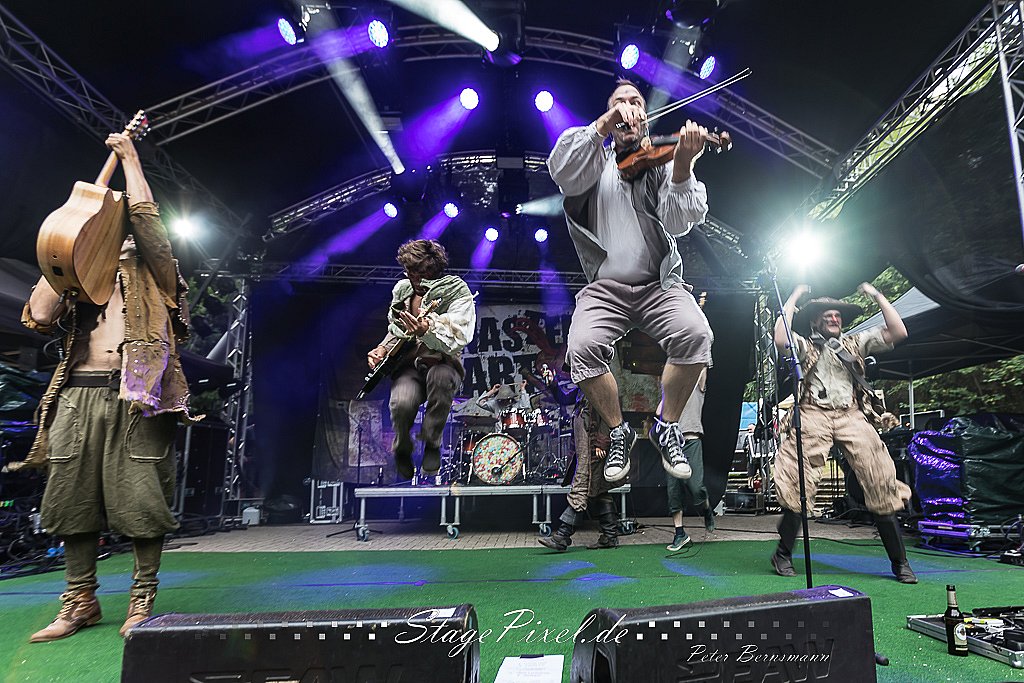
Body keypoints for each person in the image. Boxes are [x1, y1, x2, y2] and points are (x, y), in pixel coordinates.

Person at [18, 133, 196, 641]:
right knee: (70, 499)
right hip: (76, 394)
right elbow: (41, 315)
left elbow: (149, 222)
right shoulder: (76, 274)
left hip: (139, 394)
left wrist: (131, 158)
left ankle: (142, 600)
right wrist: (65, 251)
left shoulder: (156, 269)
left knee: (142, 501)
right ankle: (80, 601)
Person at [546, 78, 714, 486]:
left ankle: (667, 426)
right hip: (606, 287)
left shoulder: (661, 163)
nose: (628, 107)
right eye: (619, 102)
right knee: (581, 348)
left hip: (658, 283)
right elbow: (561, 171)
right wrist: (604, 123)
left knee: (697, 335)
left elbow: (679, 222)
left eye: (636, 102)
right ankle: (618, 430)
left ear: (645, 117)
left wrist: (683, 166)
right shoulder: (593, 164)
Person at [770, 283, 917, 584]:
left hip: (851, 415)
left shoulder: (855, 343)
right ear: (815, 321)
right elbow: (780, 338)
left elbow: (898, 332)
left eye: (837, 315)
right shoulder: (804, 345)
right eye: (827, 315)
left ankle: (900, 562)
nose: (834, 318)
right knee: (798, 484)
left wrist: (877, 296)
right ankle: (782, 554)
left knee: (881, 480)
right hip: (812, 413)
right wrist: (794, 296)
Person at [367, 240, 475, 480]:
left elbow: (458, 336)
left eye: (419, 271)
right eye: (409, 271)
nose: (413, 277)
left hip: (443, 362)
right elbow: (397, 330)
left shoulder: (455, 291)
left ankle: (432, 443)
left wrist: (427, 330)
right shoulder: (403, 291)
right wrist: (381, 349)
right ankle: (403, 446)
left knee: (441, 379)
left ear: (434, 270)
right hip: (410, 366)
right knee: (401, 402)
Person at [538, 366, 622, 551]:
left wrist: (602, 442)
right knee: (599, 488)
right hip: (585, 441)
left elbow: (610, 411)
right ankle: (610, 536)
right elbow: (565, 398)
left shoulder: (601, 379)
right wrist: (553, 383)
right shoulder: (585, 384)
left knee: (582, 483)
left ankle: (563, 536)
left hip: (593, 444)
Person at [665, 367, 716, 551]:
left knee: (696, 487)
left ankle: (706, 508)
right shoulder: (670, 390)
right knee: (673, 492)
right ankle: (680, 534)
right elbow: (660, 412)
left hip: (691, 441)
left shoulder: (696, 383)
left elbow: (702, 362)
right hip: (672, 445)